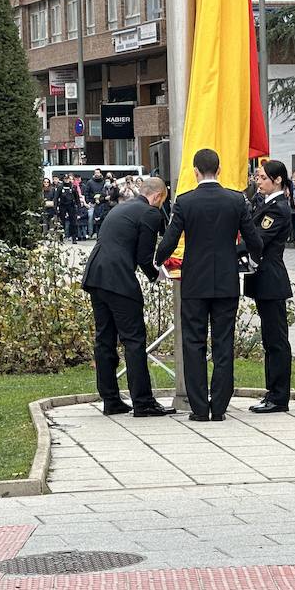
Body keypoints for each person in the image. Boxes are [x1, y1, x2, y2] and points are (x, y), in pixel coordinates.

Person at [155, 148, 262, 422]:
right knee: (223, 342)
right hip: (226, 281)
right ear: (220, 169)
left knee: (193, 343)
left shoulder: (185, 201)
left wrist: (157, 261)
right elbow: (253, 239)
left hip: (194, 282)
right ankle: (220, 407)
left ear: (195, 171)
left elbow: (170, 239)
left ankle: (200, 407)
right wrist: (252, 259)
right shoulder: (236, 200)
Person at [80, 177, 176, 419]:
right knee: (134, 340)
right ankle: (143, 402)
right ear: (158, 197)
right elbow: (145, 257)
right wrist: (158, 276)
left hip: (96, 276)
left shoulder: (121, 207)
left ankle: (110, 399)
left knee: (105, 339)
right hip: (119, 280)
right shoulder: (150, 213)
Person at [245, 160, 294, 414]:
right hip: (262, 279)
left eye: (263, 177)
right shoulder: (263, 203)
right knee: (269, 339)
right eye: (258, 176)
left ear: (277, 180)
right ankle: (271, 392)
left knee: (276, 341)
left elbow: (258, 239)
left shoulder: (278, 208)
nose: (258, 181)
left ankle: (279, 396)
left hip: (271, 280)